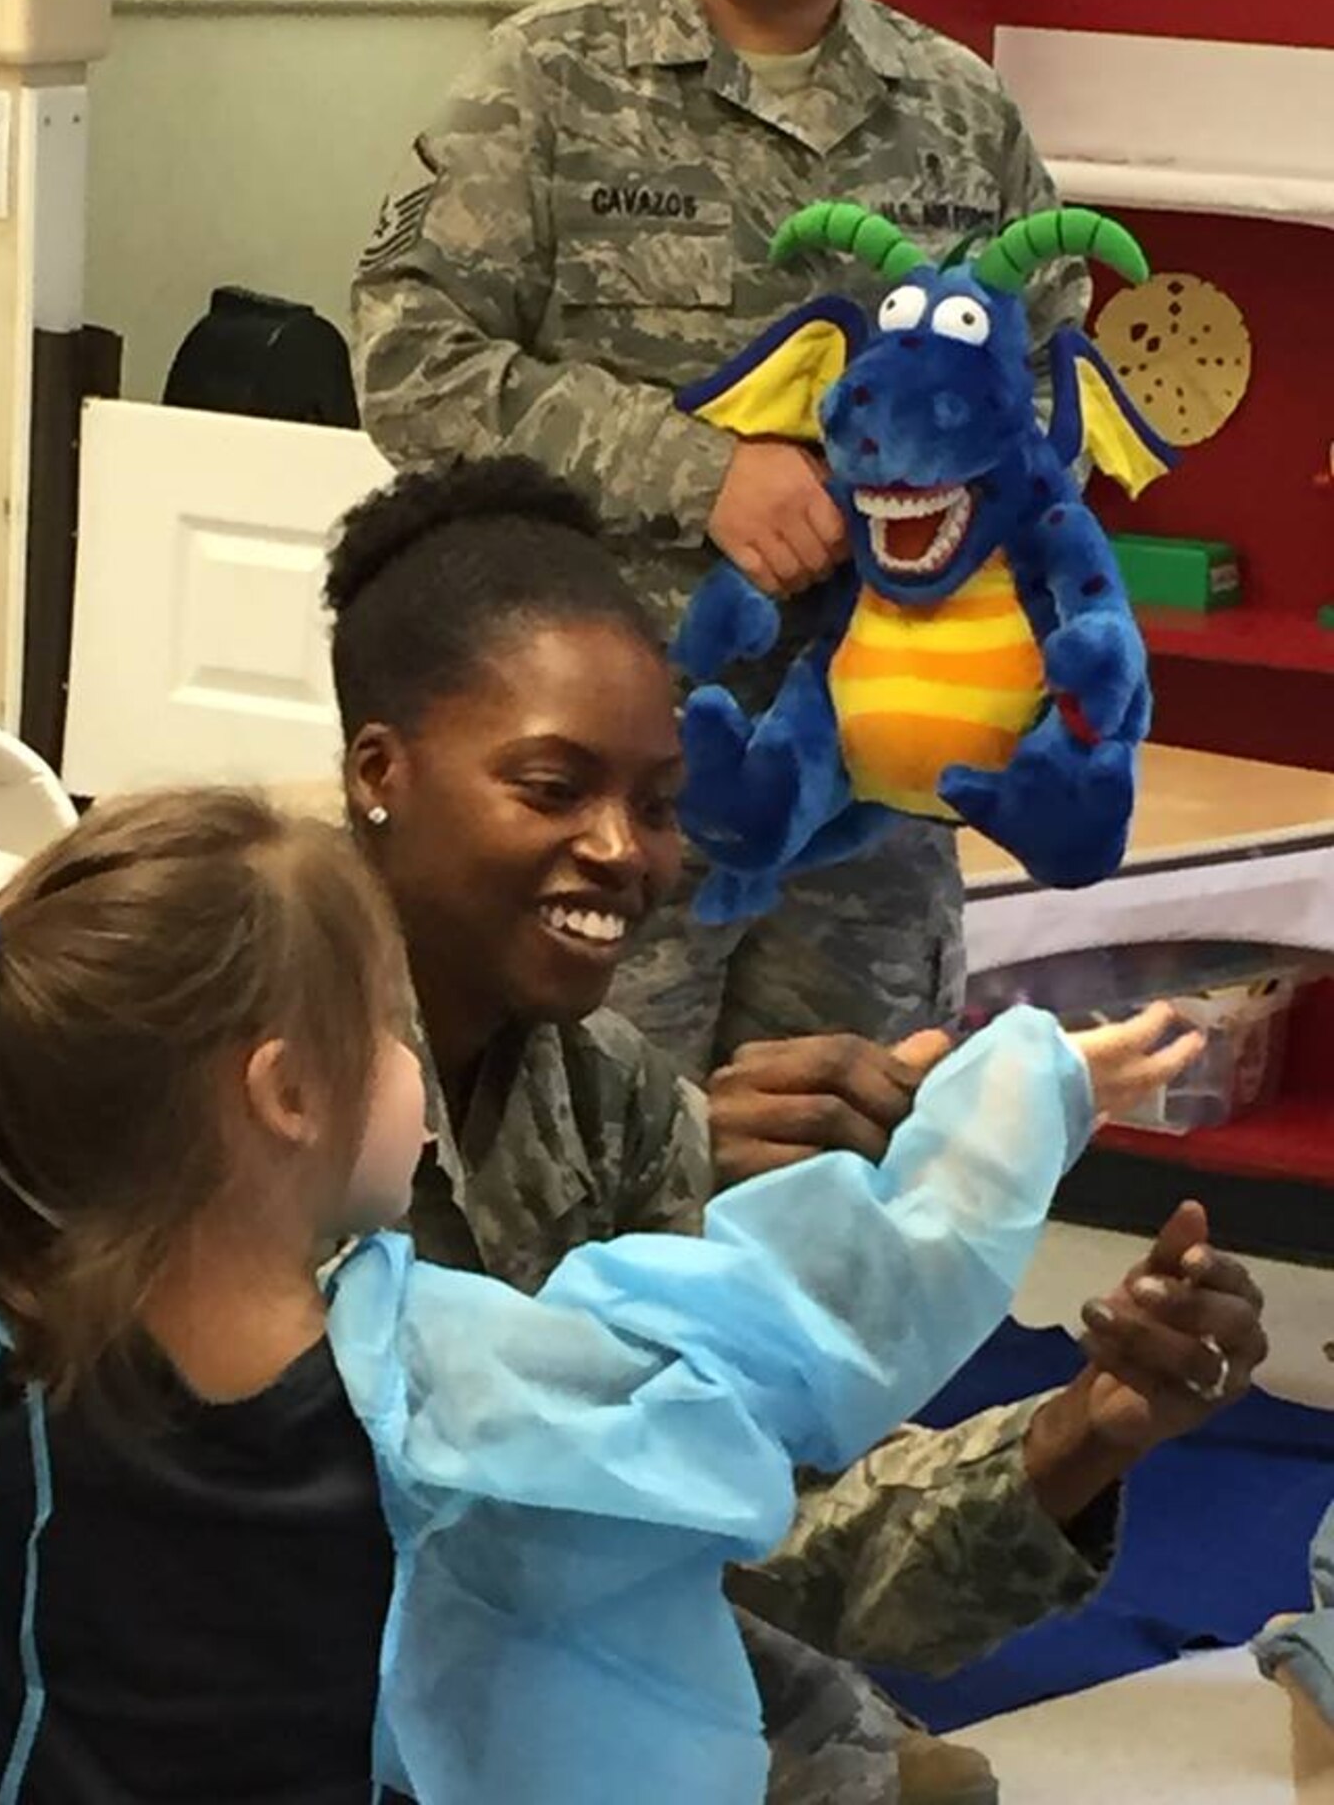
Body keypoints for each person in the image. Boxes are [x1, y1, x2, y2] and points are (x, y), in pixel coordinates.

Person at [0, 789, 1177, 1805]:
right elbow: (810, 1317)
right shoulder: (443, 1397)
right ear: (288, 1093)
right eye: (381, 1024)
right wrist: (1019, 1102)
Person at [324, 456, 1270, 1804]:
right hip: (289, 1692)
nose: (620, 852)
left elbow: (737, 1531)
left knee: (911, 1778)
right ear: (381, 771)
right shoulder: (257, 1065)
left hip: (534, 1681)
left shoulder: (615, 1103)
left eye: (655, 805)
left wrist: (1085, 1434)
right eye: (550, 787)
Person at [351, 0, 1091, 1080]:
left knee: (847, 1174)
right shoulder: (544, 82)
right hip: (606, 787)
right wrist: (701, 473)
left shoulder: (964, 116)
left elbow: (1052, 399)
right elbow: (413, 362)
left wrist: (949, 519)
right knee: (579, 1175)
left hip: (876, 779)